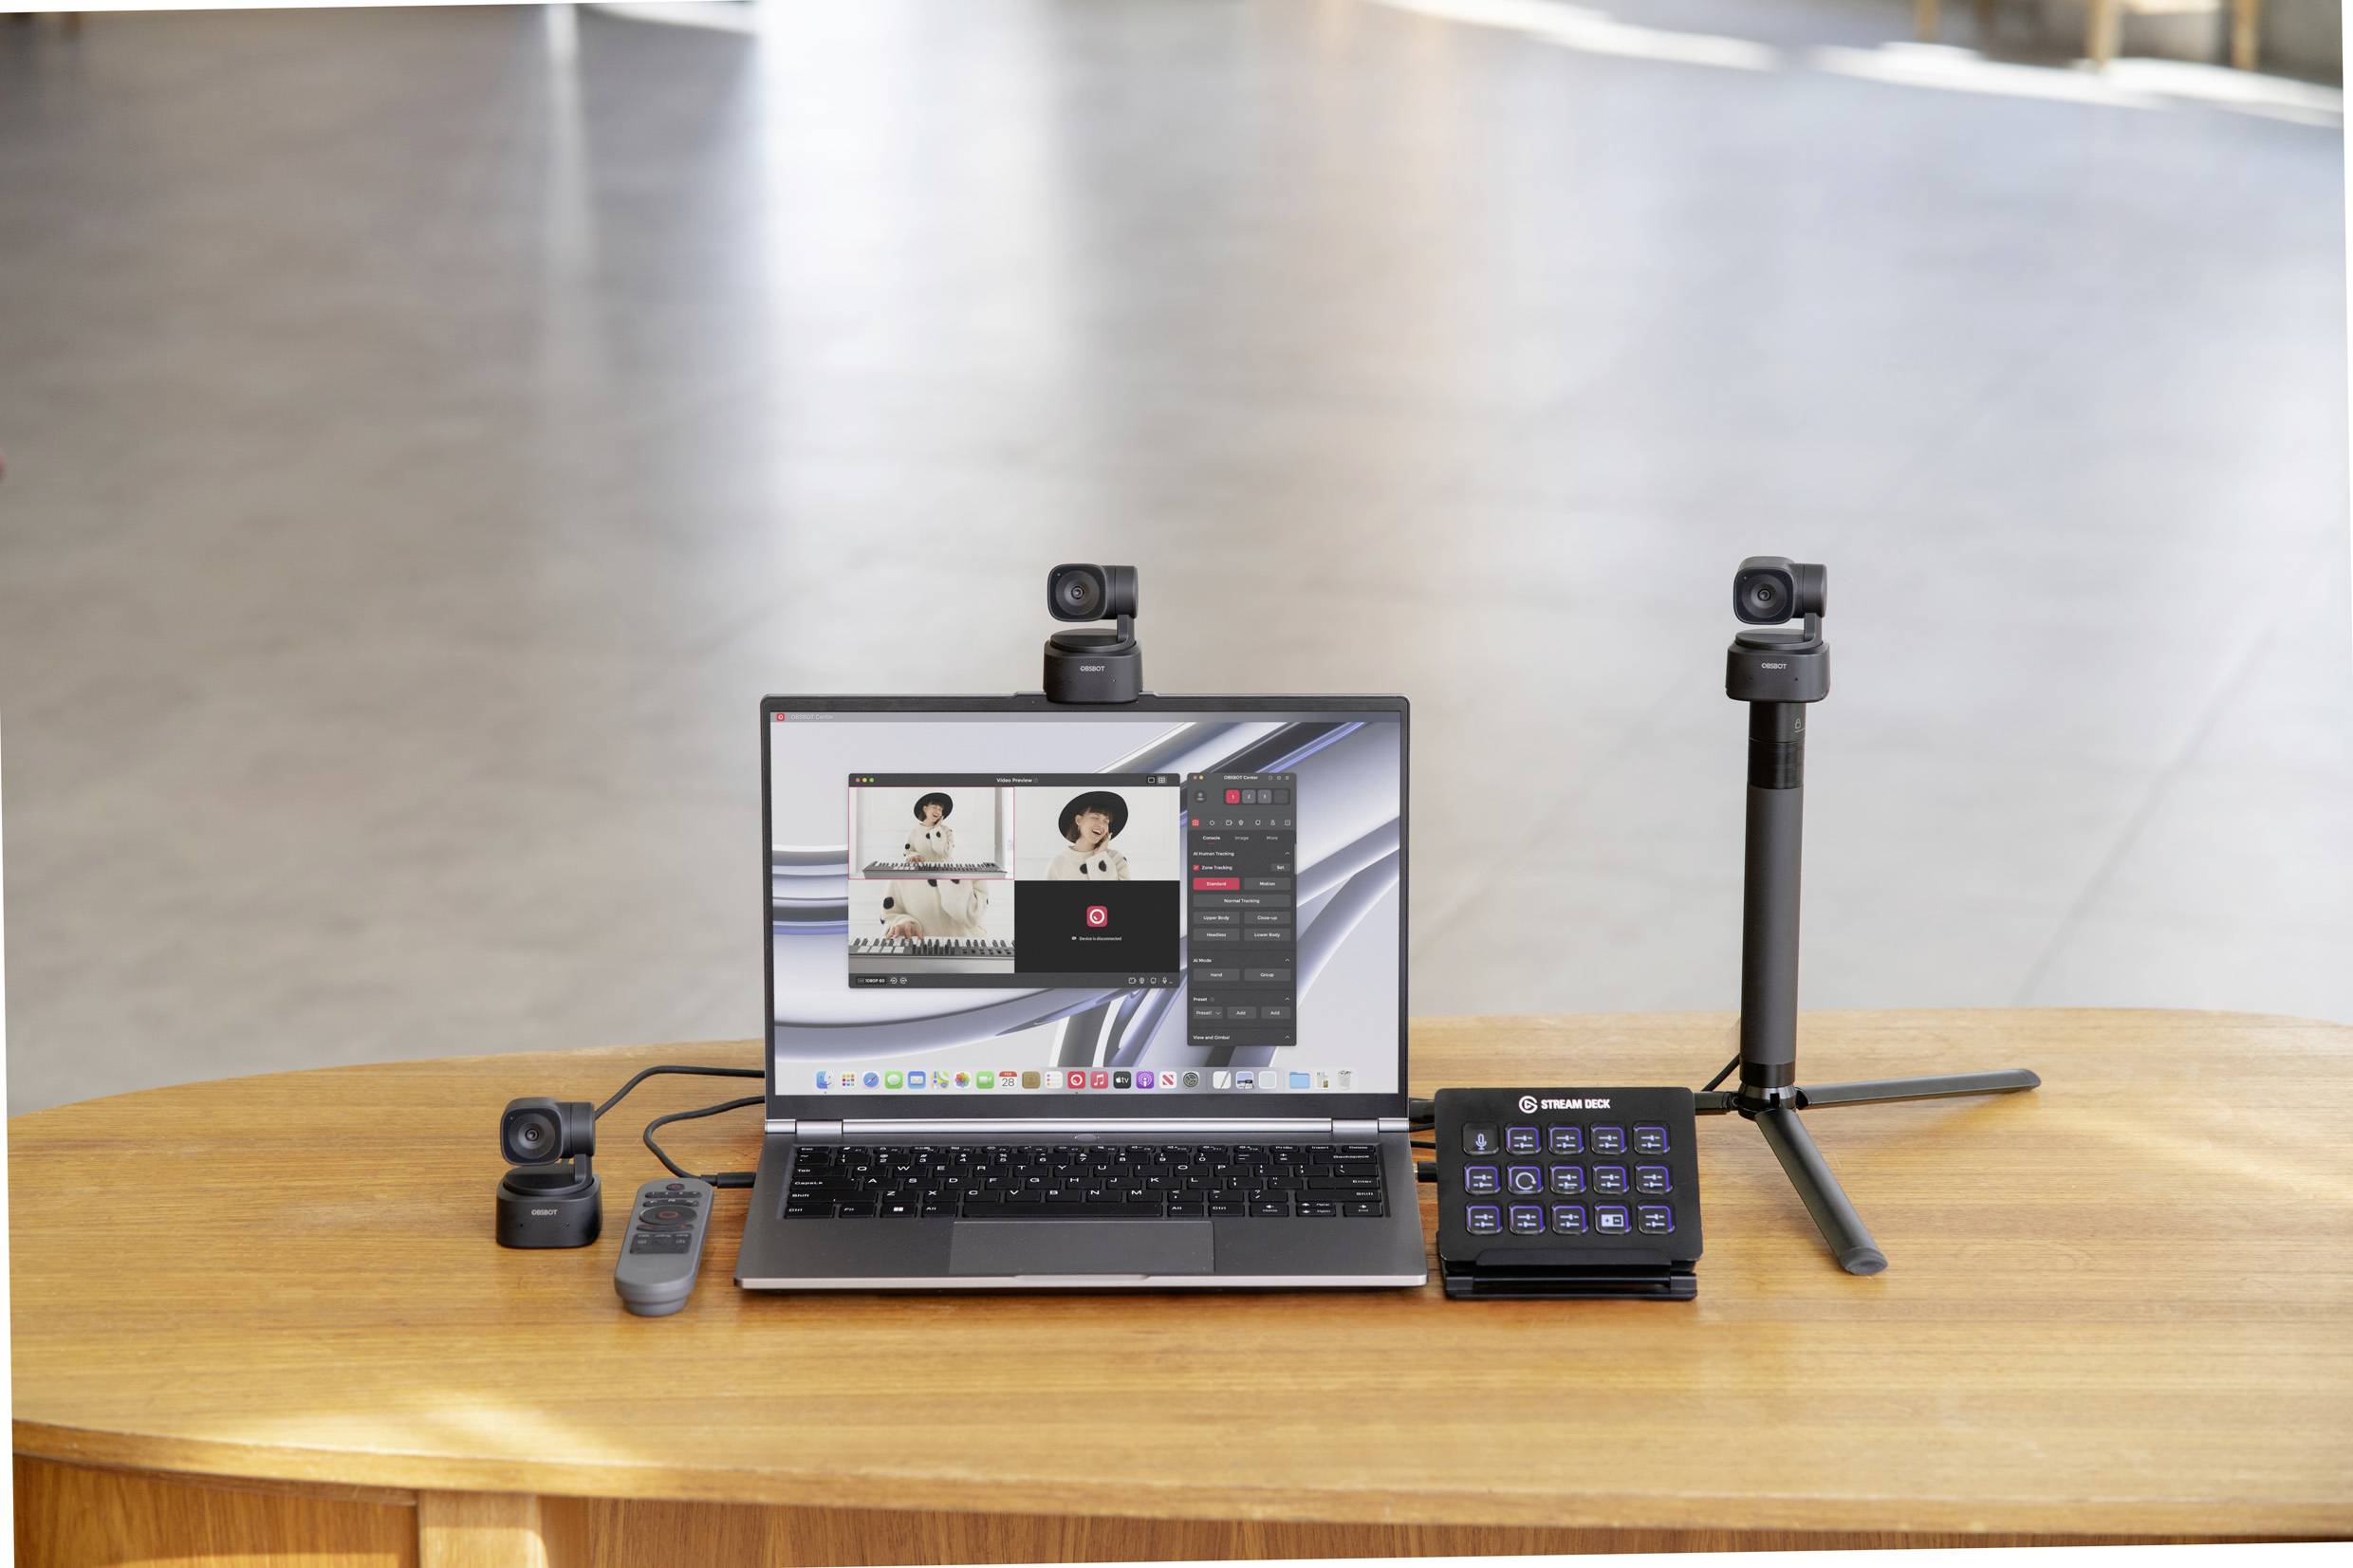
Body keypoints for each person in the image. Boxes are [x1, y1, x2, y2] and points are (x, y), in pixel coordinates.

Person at [1047, 789, 1130, 880]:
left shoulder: (1116, 859)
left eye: (1106, 821)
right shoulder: (1058, 863)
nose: (1101, 825)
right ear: (1078, 820)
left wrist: (1099, 856)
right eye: (1095, 817)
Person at [879, 875, 990, 941]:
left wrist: (946, 872)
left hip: (969, 955)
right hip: (919, 960)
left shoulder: (972, 863)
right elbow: (889, 915)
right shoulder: (901, 873)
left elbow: (972, 916)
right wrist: (903, 923)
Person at [904, 791, 954, 864]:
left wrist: (936, 829)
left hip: (942, 872)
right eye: (934, 807)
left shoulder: (946, 830)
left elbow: (945, 852)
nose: (937, 811)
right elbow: (908, 852)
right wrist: (916, 856)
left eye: (940, 809)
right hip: (921, 872)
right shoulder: (914, 832)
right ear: (925, 809)